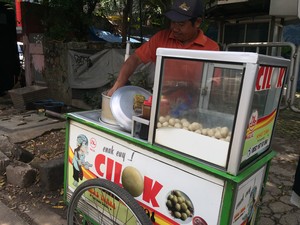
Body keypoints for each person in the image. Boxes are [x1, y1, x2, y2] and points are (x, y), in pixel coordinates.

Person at [107, 0, 220, 97]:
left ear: (197, 22)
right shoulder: (161, 38)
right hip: (162, 106)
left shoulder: (211, 48)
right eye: (173, 22)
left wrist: (184, 85)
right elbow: (135, 59)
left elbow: (214, 85)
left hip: (195, 109)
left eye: (180, 24)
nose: (174, 28)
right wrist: (118, 84)